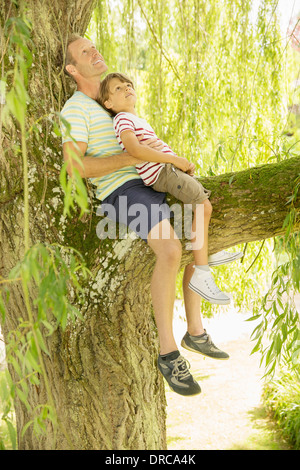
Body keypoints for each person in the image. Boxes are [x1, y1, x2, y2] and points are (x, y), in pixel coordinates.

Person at [60, 35, 241, 397]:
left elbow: (139, 141)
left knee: (200, 224)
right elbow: (74, 166)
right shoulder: (75, 109)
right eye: (85, 51)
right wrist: (135, 158)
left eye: (95, 47)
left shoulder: (111, 105)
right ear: (72, 69)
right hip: (121, 191)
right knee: (171, 251)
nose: (94, 51)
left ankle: (196, 331)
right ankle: (167, 352)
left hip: (149, 181)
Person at [98, 72, 242, 307]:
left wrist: (177, 161)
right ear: (108, 104)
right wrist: (174, 161)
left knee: (196, 207)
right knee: (204, 207)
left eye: (128, 85)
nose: (126, 88)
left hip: (167, 169)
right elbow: (135, 150)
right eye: (118, 89)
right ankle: (202, 273)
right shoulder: (122, 119)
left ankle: (205, 251)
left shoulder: (136, 120)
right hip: (162, 172)